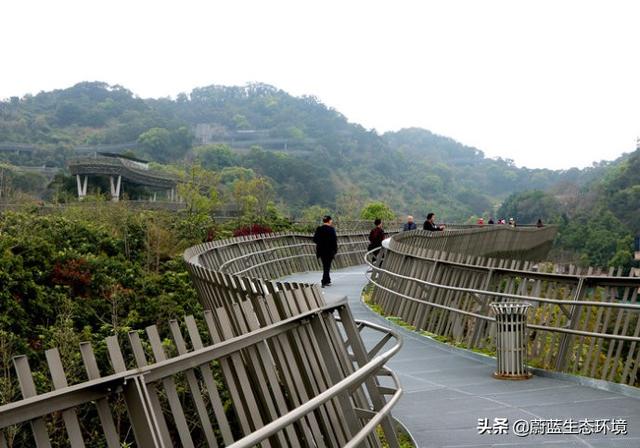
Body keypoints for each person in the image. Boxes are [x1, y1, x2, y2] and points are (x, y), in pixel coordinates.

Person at [313, 215, 338, 287]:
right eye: (331, 220)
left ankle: (327, 280)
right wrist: (335, 250)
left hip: (321, 250)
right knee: (327, 265)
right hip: (330, 250)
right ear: (329, 221)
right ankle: (324, 281)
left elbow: (315, 239)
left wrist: (321, 243)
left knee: (325, 265)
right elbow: (334, 240)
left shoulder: (319, 229)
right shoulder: (331, 229)